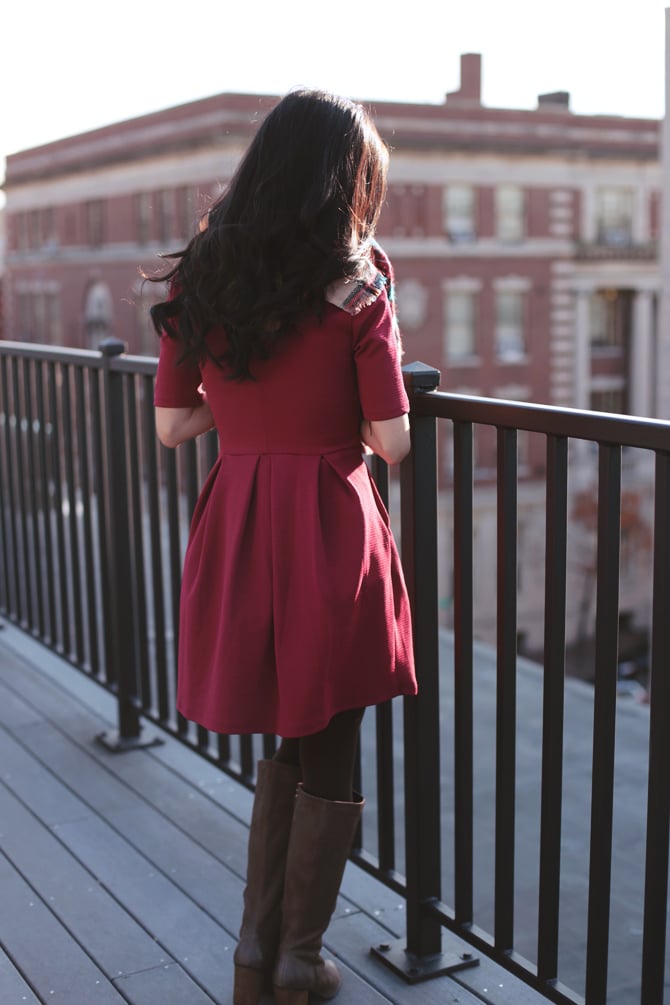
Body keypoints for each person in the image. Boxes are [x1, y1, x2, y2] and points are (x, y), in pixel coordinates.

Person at [149, 88, 417, 1005]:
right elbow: (394, 440)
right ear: (347, 182)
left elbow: (175, 426)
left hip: (244, 511)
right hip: (330, 521)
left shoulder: (204, 272)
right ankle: (300, 956)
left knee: (288, 736)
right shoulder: (356, 283)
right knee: (330, 730)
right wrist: (379, 320)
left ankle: (256, 953)